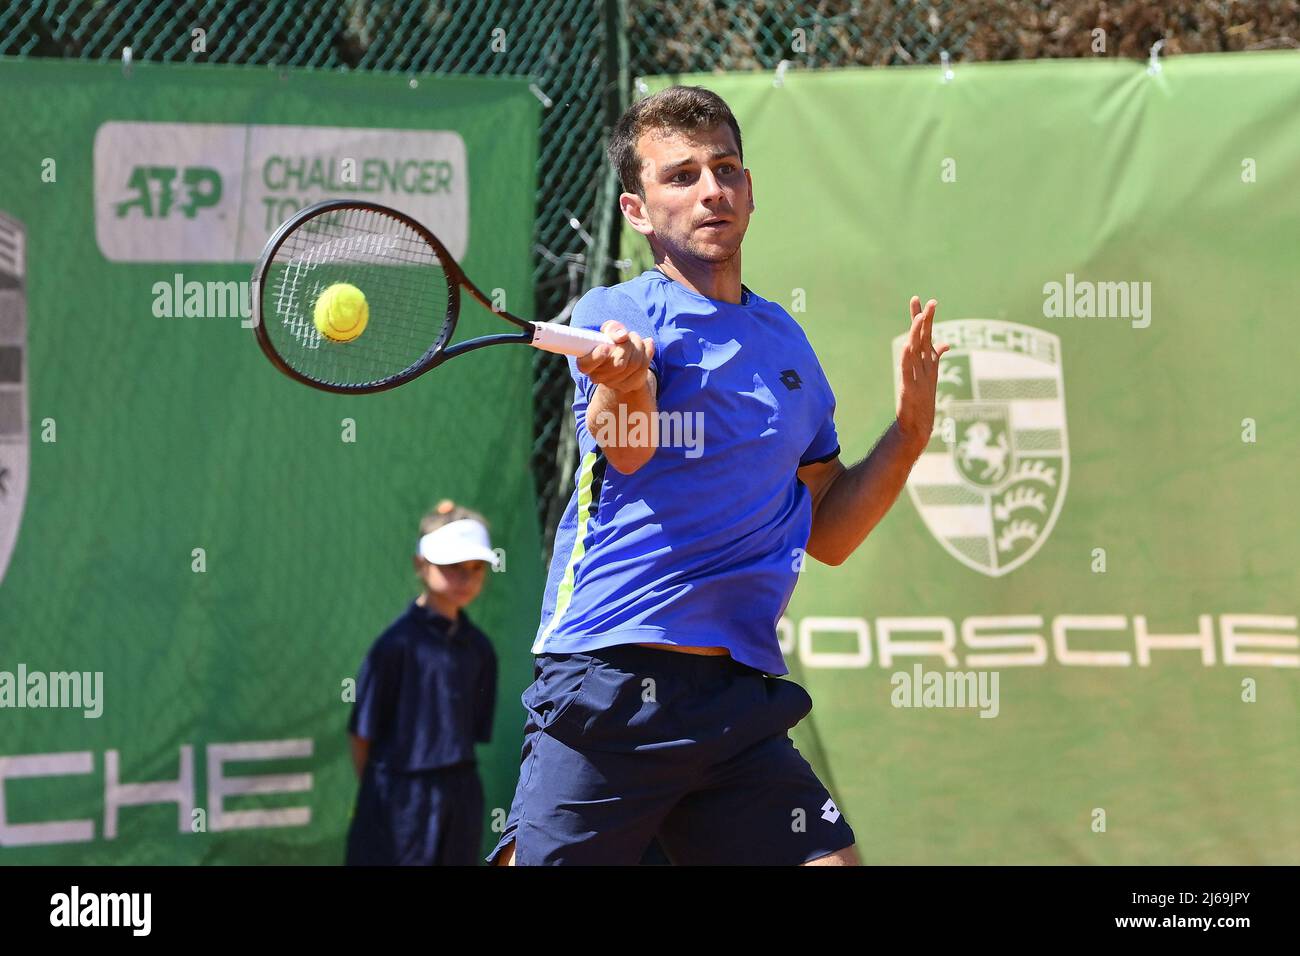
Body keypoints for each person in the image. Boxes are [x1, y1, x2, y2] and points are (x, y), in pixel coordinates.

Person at [489, 85, 950, 867]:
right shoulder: (621, 313)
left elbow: (829, 529)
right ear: (637, 211)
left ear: (748, 188)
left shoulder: (784, 342)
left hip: (734, 699)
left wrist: (908, 435)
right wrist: (627, 378)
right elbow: (625, 448)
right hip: (613, 678)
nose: (711, 190)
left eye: (725, 168)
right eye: (681, 175)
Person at [345, 500, 500, 866]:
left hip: (460, 797)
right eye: (453, 566)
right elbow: (361, 736)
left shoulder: (481, 649)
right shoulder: (393, 646)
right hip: (397, 800)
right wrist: (387, 798)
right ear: (421, 563)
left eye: (476, 568)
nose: (466, 577)